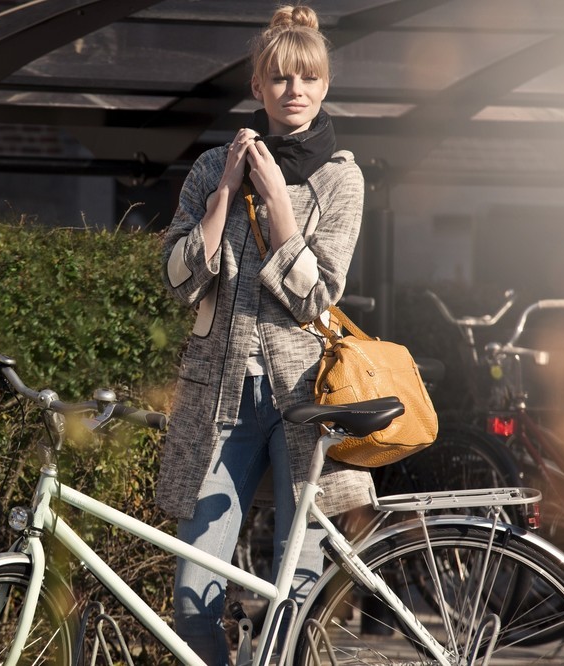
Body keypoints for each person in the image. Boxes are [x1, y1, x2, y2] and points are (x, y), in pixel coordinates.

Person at [158, 5, 373, 663]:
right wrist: (225, 194)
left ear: (324, 84)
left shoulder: (341, 177)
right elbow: (176, 279)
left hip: (306, 399)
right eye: (279, 78)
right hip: (220, 397)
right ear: (258, 86)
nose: (294, 91)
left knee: (298, 597)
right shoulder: (210, 168)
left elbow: (316, 295)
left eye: (307, 78)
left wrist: (280, 203)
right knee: (192, 600)